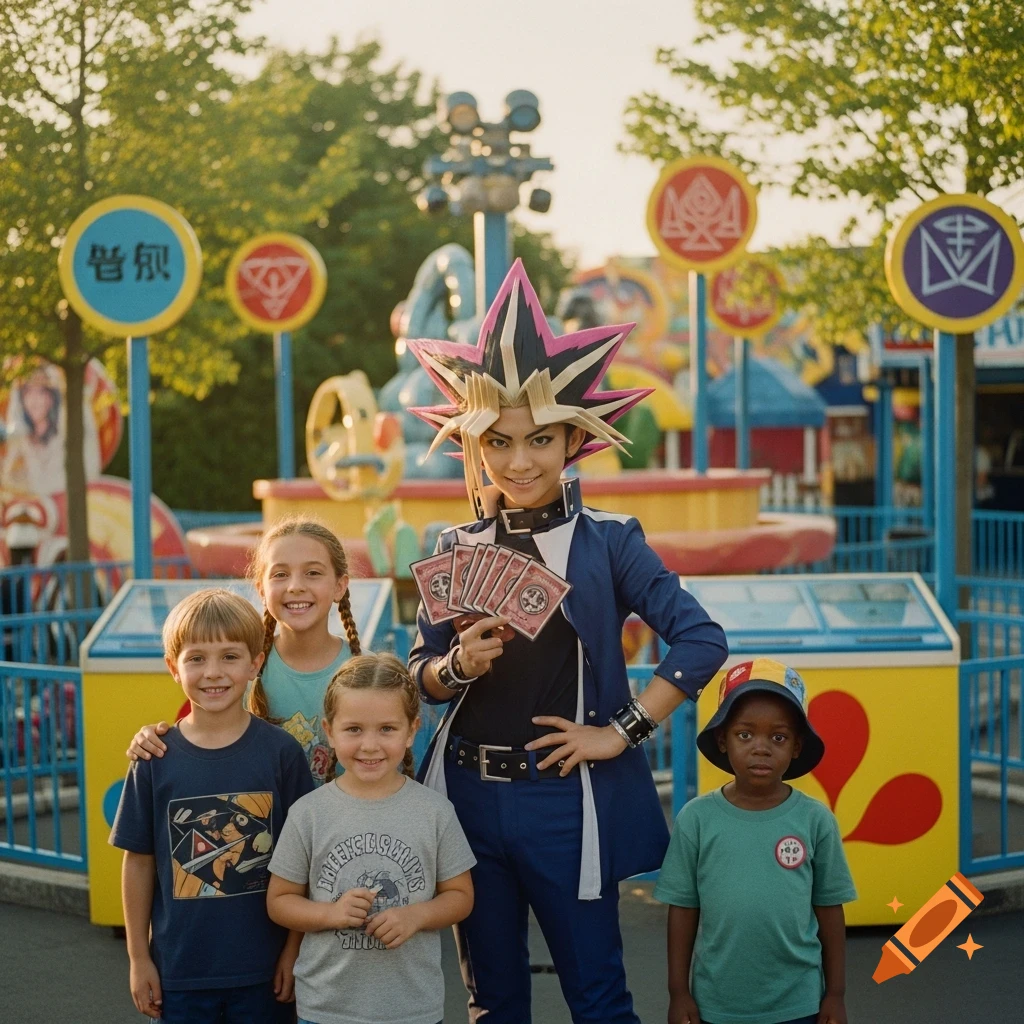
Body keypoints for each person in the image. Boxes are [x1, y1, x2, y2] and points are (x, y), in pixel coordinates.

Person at [405, 260, 729, 1023]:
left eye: (540, 439)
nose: (520, 461)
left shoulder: (609, 542)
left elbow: (700, 639)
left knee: (598, 995)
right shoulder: (453, 545)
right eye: (500, 441)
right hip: (467, 800)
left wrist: (622, 733)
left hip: (566, 800)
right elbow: (417, 673)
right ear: (473, 443)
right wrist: (455, 666)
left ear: (575, 438)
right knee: (492, 1001)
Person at [109, 588, 314, 1022]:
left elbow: (304, 860)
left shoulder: (281, 754)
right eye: (196, 658)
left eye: (229, 656)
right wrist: (138, 957)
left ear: (256, 663)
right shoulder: (154, 759)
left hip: (265, 973)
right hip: (180, 974)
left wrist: (294, 949)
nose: (213, 672)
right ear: (173, 668)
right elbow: (138, 861)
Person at [266, 652, 476, 1024]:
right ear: (330, 731)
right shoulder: (308, 813)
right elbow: (280, 901)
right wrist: (331, 913)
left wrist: (418, 915)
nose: (369, 745)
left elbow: (460, 897)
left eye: (387, 729)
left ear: (411, 730)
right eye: (354, 729)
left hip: (413, 1010)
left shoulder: (435, 811)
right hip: (326, 1010)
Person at [655, 658, 857, 1024]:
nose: (760, 748)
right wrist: (678, 992)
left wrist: (836, 994)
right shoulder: (697, 820)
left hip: (800, 1003)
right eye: (745, 734)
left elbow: (830, 910)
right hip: (717, 1005)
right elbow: (682, 909)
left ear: (796, 746)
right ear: (723, 740)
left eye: (777, 737)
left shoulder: (815, 821)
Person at [126, 517, 361, 785]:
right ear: (261, 588)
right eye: (280, 574)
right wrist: (151, 738)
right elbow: (192, 739)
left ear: (340, 586)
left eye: (313, 573)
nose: (295, 585)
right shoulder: (237, 667)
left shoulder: (365, 671)